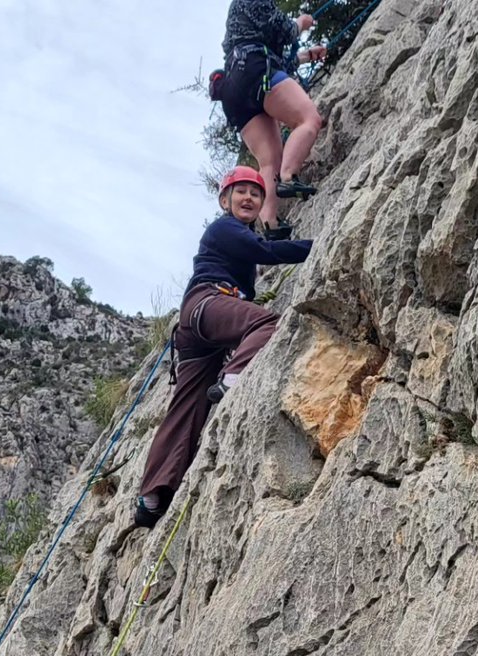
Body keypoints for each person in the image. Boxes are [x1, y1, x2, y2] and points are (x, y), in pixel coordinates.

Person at [134, 169, 313, 528]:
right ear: (224, 201)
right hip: (209, 303)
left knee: (186, 406)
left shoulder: (231, 235)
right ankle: (231, 380)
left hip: (197, 325)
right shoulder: (225, 228)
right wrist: (316, 246)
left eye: (255, 193)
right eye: (240, 192)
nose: (248, 198)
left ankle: (153, 497)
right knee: (267, 323)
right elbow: (264, 250)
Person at [219, 0, 328, 231]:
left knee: (269, 162)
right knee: (308, 119)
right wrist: (302, 22)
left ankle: (270, 224)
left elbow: (275, 54)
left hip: (235, 86)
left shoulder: (240, 20)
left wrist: (307, 56)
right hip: (256, 71)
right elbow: (286, 31)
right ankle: (289, 177)